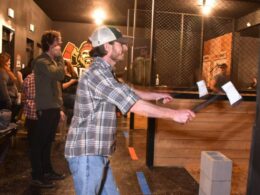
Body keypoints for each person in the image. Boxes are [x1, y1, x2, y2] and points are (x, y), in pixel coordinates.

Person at [65, 26, 195, 195]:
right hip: (88, 154)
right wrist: (173, 114)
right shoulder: (97, 74)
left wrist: (155, 95)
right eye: (120, 44)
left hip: (97, 153)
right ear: (107, 47)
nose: (125, 48)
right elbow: (131, 103)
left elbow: (127, 91)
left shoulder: (106, 72)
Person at [32, 30, 66, 188]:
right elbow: (60, 75)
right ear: (49, 44)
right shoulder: (41, 62)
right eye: (57, 42)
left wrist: (59, 108)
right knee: (39, 144)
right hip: (45, 109)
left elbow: (56, 86)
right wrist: (60, 58)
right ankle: (37, 176)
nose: (60, 45)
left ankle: (47, 171)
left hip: (52, 108)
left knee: (47, 143)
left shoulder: (50, 62)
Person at [0, 52, 20, 122]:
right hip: (7, 102)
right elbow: (3, 88)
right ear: (4, 61)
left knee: (10, 121)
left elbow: (13, 85)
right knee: (7, 121)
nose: (10, 62)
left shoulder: (7, 70)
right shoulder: (2, 72)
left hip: (11, 100)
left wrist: (17, 94)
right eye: (8, 61)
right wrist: (8, 101)